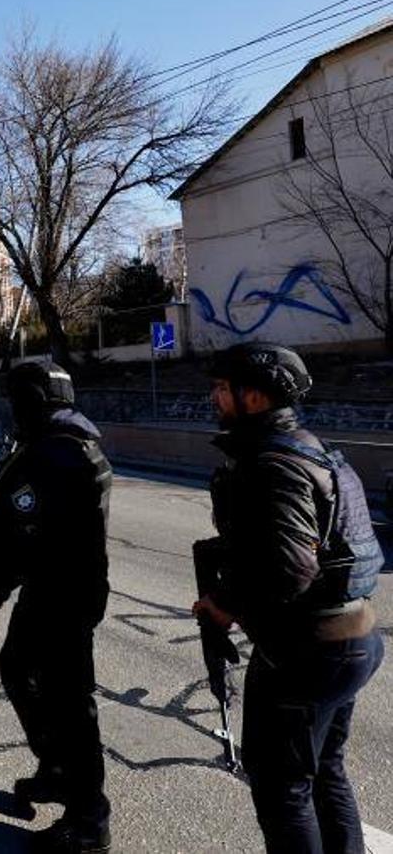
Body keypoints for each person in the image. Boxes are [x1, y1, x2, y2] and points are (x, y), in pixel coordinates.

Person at [194, 343, 383, 853]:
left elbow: (291, 567)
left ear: (253, 397)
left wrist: (226, 604)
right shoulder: (309, 447)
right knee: (324, 772)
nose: (213, 398)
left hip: (309, 651)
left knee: (281, 788)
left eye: (221, 390)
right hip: (351, 638)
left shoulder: (271, 463)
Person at [0, 362, 112, 853]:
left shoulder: (57, 453)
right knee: (19, 669)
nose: (12, 411)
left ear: (34, 401)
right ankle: (56, 770)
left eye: (17, 400)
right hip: (55, 586)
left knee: (70, 704)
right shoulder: (61, 442)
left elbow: (27, 535)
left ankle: (89, 818)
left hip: (63, 592)